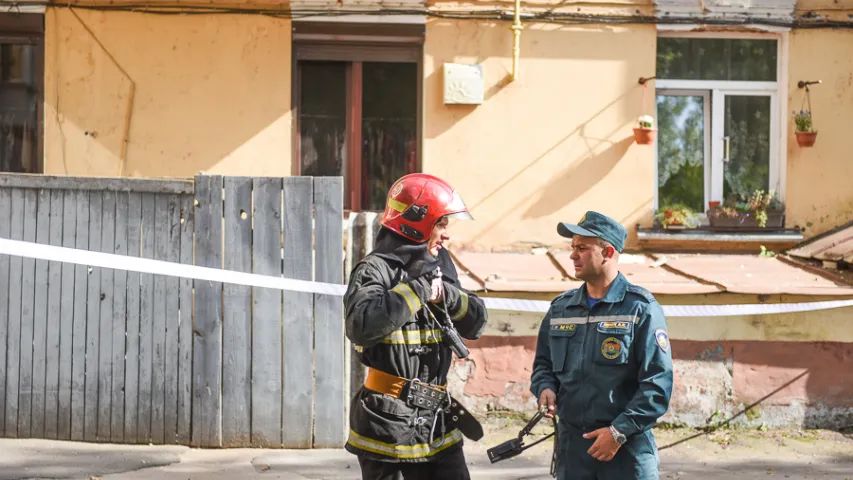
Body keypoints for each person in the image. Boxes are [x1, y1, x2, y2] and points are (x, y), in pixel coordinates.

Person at [344, 173, 489, 480]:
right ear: (418, 223)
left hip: (438, 422)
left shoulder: (440, 264)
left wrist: (445, 294)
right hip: (388, 426)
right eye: (441, 223)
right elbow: (361, 326)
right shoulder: (375, 269)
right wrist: (417, 289)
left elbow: (476, 322)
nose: (446, 234)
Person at [530, 211, 673, 480]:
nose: (573, 255)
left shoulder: (640, 308)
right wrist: (545, 388)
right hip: (573, 451)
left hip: (626, 450)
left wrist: (618, 432)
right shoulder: (562, 309)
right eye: (572, 247)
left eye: (582, 248)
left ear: (607, 252)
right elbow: (543, 365)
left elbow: (657, 385)